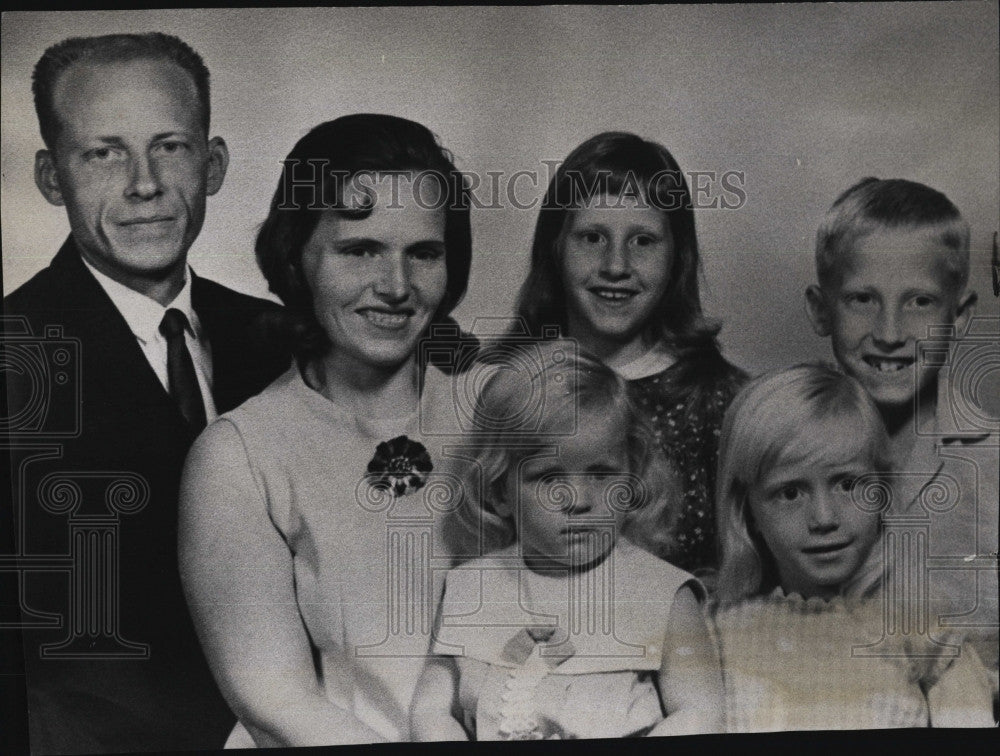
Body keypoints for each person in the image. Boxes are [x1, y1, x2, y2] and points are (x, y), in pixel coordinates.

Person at [2, 33, 290, 753]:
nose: (143, 183)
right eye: (102, 153)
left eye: (170, 146)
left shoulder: (282, 339)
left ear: (213, 163)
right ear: (49, 176)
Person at [178, 114, 475, 746]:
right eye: (359, 250)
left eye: (423, 253)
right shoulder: (238, 456)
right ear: (297, 256)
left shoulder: (499, 416)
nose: (396, 287)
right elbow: (277, 699)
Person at [411, 342, 724, 740]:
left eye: (601, 474)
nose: (578, 500)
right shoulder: (471, 587)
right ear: (499, 492)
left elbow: (700, 713)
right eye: (549, 478)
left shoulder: (662, 592)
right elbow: (431, 710)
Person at [712, 364, 993, 730]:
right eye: (791, 493)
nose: (824, 518)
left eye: (847, 485)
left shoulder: (925, 636)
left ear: (882, 491)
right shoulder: (714, 633)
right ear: (747, 511)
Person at [515, 132, 746, 575]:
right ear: (555, 248)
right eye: (592, 238)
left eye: (643, 241)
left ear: (678, 257)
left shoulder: (726, 401)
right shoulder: (506, 389)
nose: (616, 266)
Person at [804, 178, 998, 687]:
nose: (889, 334)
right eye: (862, 299)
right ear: (820, 309)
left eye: (919, 303)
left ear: (959, 318)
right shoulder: (785, 454)